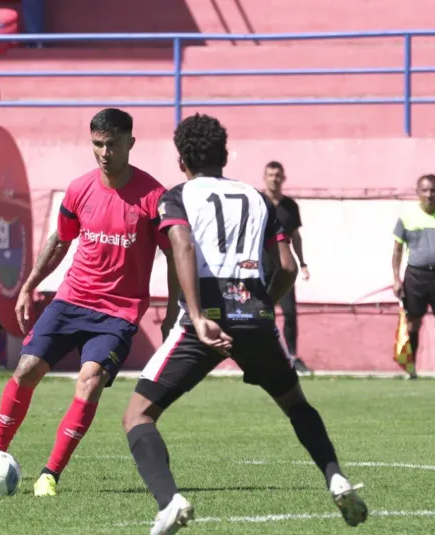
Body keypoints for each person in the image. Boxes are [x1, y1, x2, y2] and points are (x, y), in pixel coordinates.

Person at [122, 114, 367, 535]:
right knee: (296, 404)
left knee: (138, 416)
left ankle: (170, 501)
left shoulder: (178, 196)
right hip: (256, 318)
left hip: (204, 321)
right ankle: (336, 478)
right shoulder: (257, 198)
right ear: (224, 155)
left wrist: (197, 315)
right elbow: (287, 267)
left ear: (181, 160)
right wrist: (261, 306)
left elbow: (181, 246)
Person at [0, 108, 179, 498]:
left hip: (118, 311)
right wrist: (29, 285)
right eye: (98, 144)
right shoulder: (79, 188)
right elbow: (60, 240)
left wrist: (171, 313)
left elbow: (174, 255)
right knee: (26, 370)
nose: (104, 152)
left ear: (130, 143)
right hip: (71, 299)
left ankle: (50, 474)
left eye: (112, 144)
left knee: (90, 381)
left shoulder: (154, 197)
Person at [393, 174, 435, 380]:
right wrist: (396, 279)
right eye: (425, 190)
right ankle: (411, 370)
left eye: (433, 190)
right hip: (416, 276)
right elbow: (397, 250)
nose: (429, 195)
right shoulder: (406, 217)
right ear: (417, 193)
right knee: (412, 323)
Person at [262, 161, 312, 373]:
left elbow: (296, 237)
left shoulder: (290, 207)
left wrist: (302, 263)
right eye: (270, 175)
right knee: (261, 313)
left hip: (284, 268)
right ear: (265, 178)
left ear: (283, 178)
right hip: (260, 267)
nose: (274, 179)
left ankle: (291, 356)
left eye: (277, 175)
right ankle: (262, 355)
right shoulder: (257, 202)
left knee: (290, 313)